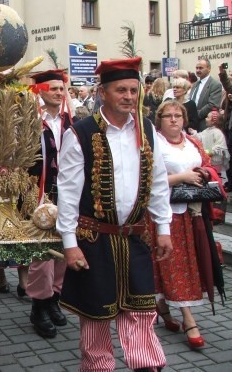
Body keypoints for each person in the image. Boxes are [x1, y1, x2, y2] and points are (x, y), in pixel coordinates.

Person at [56, 57, 173, 371]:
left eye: (134, 90)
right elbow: (68, 194)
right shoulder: (80, 133)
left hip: (134, 237)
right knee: (95, 314)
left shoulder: (147, 129)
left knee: (141, 310)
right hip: (94, 239)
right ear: (103, 92)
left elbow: (158, 181)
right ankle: (97, 367)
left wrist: (164, 228)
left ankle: (147, 365)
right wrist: (69, 244)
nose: (129, 96)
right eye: (121, 90)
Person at [152, 100, 223, 349]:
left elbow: (208, 166)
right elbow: (147, 178)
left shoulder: (193, 141)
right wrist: (182, 177)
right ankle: (189, 320)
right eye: (168, 116)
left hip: (193, 213)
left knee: (187, 264)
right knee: (173, 264)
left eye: (178, 115)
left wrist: (203, 173)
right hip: (164, 213)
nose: (174, 120)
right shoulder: (154, 143)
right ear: (159, 120)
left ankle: (162, 305)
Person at [24, 69, 75, 338]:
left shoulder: (71, 120)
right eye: (53, 88)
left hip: (67, 193)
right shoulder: (30, 120)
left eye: (61, 88)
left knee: (64, 247)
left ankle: (55, 298)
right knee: (43, 252)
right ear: (40, 90)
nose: (58, 92)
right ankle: (39, 305)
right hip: (40, 193)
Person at [191, 58, 223, 131]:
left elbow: (212, 104)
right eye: (197, 68)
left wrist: (195, 115)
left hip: (204, 124)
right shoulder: (195, 84)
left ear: (209, 69)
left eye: (201, 68)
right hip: (192, 124)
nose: (198, 70)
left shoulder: (215, 84)